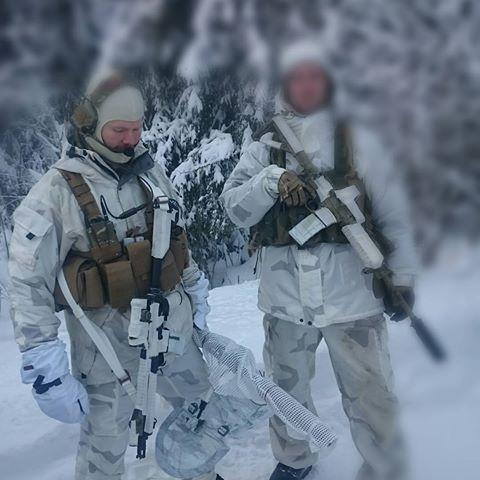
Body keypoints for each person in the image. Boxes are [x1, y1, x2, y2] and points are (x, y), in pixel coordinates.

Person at [8, 70, 222, 480]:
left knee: (199, 411)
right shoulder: (56, 193)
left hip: (173, 329)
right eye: (119, 130)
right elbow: (27, 281)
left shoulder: (149, 172)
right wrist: (42, 358)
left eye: (136, 129)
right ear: (90, 126)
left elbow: (177, 238)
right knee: (103, 450)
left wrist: (195, 290)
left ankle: (201, 473)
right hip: (106, 348)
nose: (130, 140)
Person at [221, 39, 417, 480]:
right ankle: (294, 462)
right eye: (297, 77)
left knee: (371, 393)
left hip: (353, 297)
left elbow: (396, 215)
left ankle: (385, 467)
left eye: (315, 76)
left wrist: (403, 277)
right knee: (285, 392)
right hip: (284, 300)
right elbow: (234, 209)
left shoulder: (360, 138)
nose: (306, 85)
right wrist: (269, 181)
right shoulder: (265, 145)